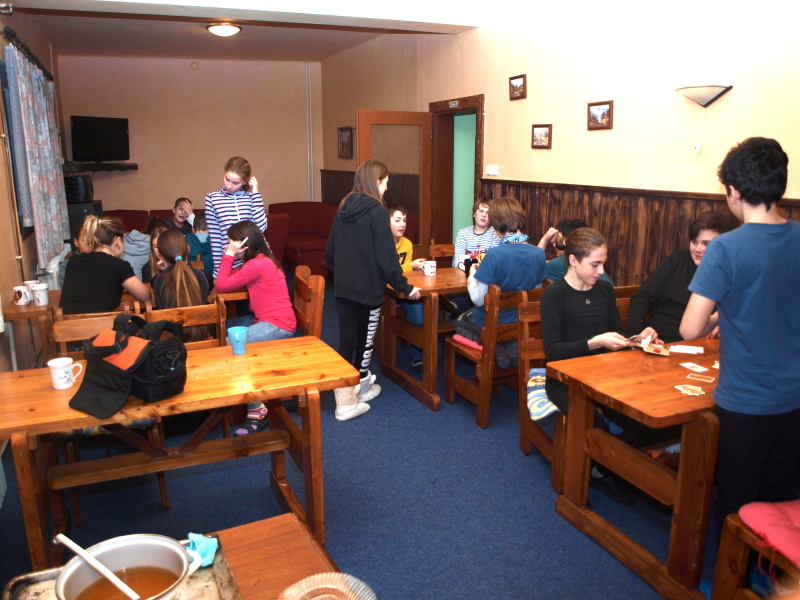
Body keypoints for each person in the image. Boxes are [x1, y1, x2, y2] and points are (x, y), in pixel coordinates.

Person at [680, 137, 800, 534]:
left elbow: (690, 329)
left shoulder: (726, 248)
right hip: (795, 397)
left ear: (734, 191)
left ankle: (733, 567)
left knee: (736, 500)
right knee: (781, 493)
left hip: (747, 400)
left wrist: (723, 313)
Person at [541, 227, 657, 503]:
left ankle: (620, 466)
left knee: (646, 420)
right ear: (573, 260)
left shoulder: (604, 289)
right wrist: (594, 343)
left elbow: (616, 333)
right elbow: (553, 353)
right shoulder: (555, 295)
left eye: (603, 263)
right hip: (566, 379)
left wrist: (637, 338)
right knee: (596, 426)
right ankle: (601, 472)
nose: (602, 271)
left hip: (605, 374)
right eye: (595, 264)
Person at [325, 159, 420, 421]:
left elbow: (330, 252)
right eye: (386, 183)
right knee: (365, 342)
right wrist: (404, 286)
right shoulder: (377, 211)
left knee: (347, 341)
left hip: (343, 287)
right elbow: (386, 258)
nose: (387, 188)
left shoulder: (344, 206)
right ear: (377, 182)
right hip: (368, 290)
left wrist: (344, 273)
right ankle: (348, 403)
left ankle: (353, 393)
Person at [216, 220, 297, 435]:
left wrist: (229, 255)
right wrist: (230, 256)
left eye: (231, 242)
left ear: (243, 244)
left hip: (278, 325)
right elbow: (228, 279)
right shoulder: (259, 260)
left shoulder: (257, 264)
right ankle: (238, 391)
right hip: (268, 320)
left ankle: (257, 407)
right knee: (221, 330)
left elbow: (221, 285)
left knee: (229, 343)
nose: (228, 245)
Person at [626, 210, 736, 343]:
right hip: (658, 341)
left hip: (702, 345)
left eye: (706, 244)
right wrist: (636, 335)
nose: (698, 249)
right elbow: (643, 297)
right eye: (694, 242)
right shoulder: (677, 260)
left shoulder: (732, 273)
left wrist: (723, 324)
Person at [455, 197, 549, 349]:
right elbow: (536, 292)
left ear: (496, 225)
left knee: (459, 321)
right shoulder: (539, 253)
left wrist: (472, 275)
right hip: (523, 320)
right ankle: (507, 349)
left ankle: (496, 349)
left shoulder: (494, 255)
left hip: (492, 322)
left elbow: (478, 300)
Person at [60, 215, 152, 314]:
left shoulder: (72, 262)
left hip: (66, 322)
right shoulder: (118, 265)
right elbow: (146, 296)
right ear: (118, 241)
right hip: (101, 322)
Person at [205, 156, 267, 277]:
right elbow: (215, 237)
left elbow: (261, 228)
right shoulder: (212, 198)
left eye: (235, 183)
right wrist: (218, 271)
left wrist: (255, 192)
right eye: (227, 179)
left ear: (245, 181)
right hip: (231, 259)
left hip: (255, 258)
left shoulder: (252, 198)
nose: (229, 185)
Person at [151, 229, 210, 342]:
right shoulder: (204, 276)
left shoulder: (157, 281)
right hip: (200, 340)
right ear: (188, 249)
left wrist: (163, 271)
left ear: (162, 256)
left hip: (173, 345)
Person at [390, 205, 426, 366]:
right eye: (397, 220)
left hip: (403, 287)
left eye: (404, 220)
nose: (402, 224)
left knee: (418, 302)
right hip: (385, 290)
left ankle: (419, 352)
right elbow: (388, 271)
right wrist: (411, 265)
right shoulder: (381, 244)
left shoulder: (407, 244)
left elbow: (406, 273)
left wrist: (413, 267)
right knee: (415, 304)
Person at [546, 218, 615, 285]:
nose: (554, 244)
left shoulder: (558, 263)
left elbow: (539, 268)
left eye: (558, 239)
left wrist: (544, 240)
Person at [452, 199, 502, 267]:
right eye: (481, 211)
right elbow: (457, 261)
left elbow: (494, 261)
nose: (484, 215)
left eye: (488, 212)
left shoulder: (496, 233)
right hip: (465, 270)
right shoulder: (463, 233)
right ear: (474, 214)